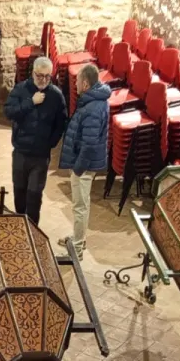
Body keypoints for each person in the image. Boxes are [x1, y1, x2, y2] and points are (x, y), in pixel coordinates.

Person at [3, 56, 67, 226]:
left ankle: (32, 231)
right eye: (40, 76)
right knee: (20, 193)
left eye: (48, 77)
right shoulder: (21, 90)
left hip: (40, 155)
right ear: (33, 73)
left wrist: (50, 143)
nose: (44, 80)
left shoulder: (55, 95)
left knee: (34, 196)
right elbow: (9, 112)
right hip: (21, 152)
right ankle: (20, 229)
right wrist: (30, 102)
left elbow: (61, 122)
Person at [59, 64, 111, 255]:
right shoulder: (94, 100)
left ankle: (78, 247)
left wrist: (78, 168)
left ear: (86, 84)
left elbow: (89, 143)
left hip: (84, 165)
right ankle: (78, 238)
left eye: (78, 81)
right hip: (83, 163)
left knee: (80, 205)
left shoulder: (93, 108)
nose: (76, 84)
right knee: (80, 204)